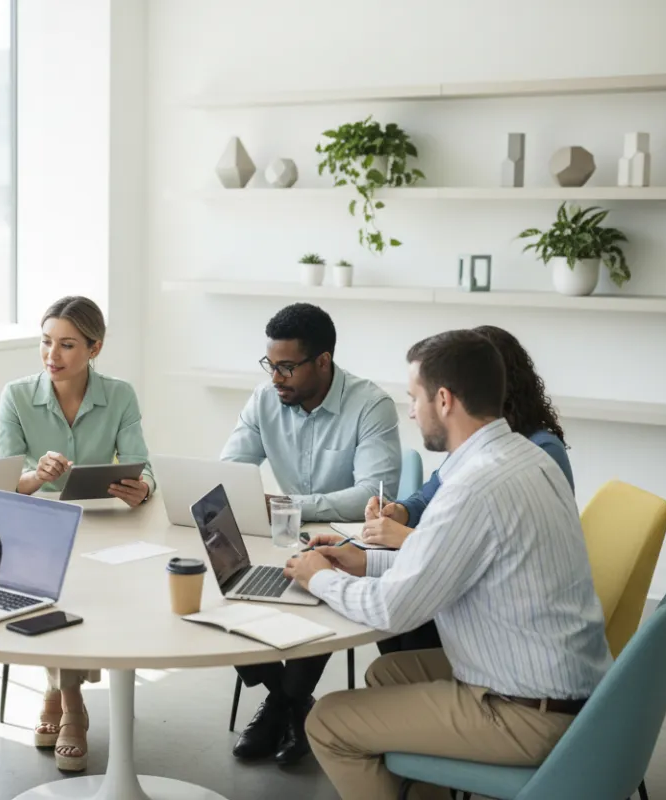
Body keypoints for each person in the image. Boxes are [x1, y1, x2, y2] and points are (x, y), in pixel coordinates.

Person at [290, 330, 609, 800]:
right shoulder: (526, 456)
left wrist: (319, 578)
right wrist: (361, 563)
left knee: (327, 723)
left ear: (443, 400)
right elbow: (448, 560)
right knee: (388, 673)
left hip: (525, 715)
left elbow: (394, 612)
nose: (411, 411)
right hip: (575, 692)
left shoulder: (474, 488)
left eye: (413, 397)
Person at [220, 302, 401, 767]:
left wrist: (289, 508)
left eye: (286, 367)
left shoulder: (370, 405)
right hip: (286, 535)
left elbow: (374, 493)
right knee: (220, 581)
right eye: (270, 364)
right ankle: (292, 704)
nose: (275, 377)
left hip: (345, 542)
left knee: (319, 583)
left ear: (323, 361)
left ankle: (281, 703)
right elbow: (231, 470)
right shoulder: (265, 400)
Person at [0, 295, 154, 772]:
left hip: (101, 521)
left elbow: (144, 467)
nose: (52, 355)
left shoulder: (119, 395)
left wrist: (139, 489)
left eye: (66, 345)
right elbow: (2, 480)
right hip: (34, 526)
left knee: (94, 580)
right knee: (63, 583)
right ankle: (72, 707)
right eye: (45, 342)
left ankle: (53, 689)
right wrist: (37, 475)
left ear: (94, 348)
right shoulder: (17, 395)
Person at [361, 324, 576, 655]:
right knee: (396, 624)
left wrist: (403, 539)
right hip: (483, 599)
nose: (413, 411)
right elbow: (431, 492)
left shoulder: (535, 453)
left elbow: (482, 548)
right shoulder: (477, 444)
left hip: (509, 623)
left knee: (403, 606)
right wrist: (401, 512)